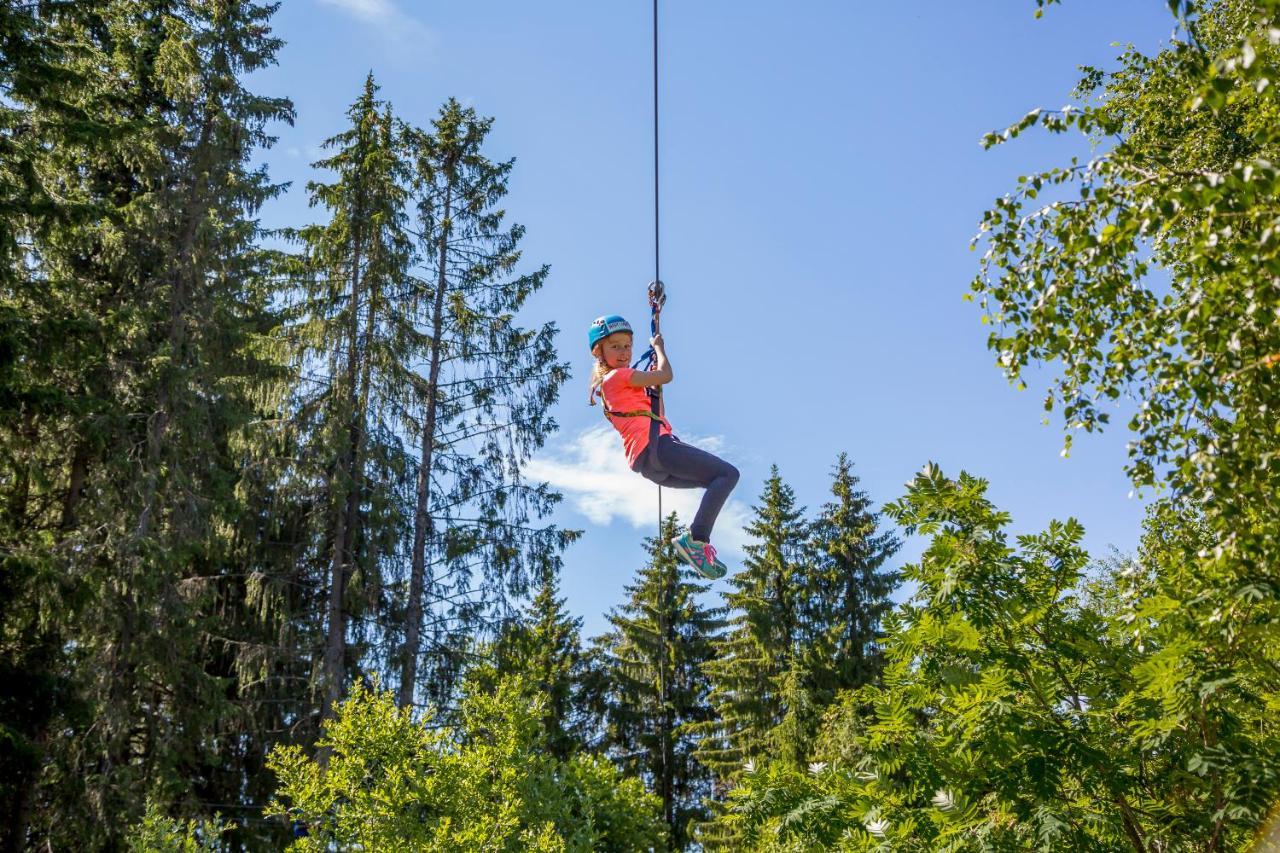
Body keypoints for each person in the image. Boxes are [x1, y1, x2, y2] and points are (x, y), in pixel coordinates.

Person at [588, 314, 739, 579]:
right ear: (599, 353)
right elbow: (667, 375)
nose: (623, 352)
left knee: (715, 482)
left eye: (627, 346)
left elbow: (659, 410)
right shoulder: (615, 378)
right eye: (615, 347)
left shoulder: (617, 388)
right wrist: (659, 347)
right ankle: (696, 540)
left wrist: (655, 383)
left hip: (650, 463)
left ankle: (693, 540)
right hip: (658, 447)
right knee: (727, 474)